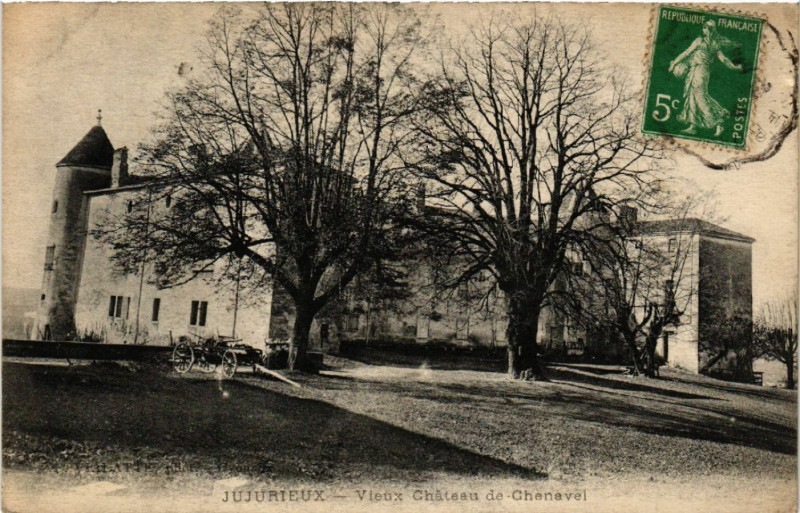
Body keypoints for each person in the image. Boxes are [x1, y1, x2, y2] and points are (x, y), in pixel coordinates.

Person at [668, 20, 743, 137]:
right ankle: (693, 126)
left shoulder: (701, 41)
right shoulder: (714, 44)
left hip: (699, 72)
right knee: (692, 96)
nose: (703, 30)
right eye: (703, 28)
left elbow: (686, 53)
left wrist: (674, 64)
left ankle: (719, 122)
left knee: (700, 98)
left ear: (709, 30)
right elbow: (724, 59)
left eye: (705, 28)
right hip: (698, 71)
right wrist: (734, 67)